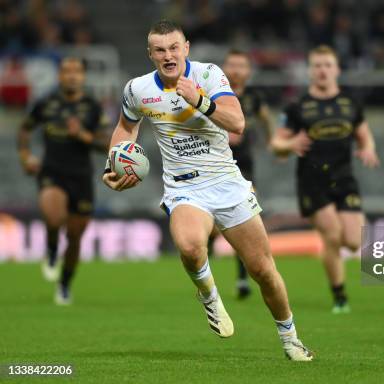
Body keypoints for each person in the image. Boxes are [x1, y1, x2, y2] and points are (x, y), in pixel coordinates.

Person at [102, 20, 312, 361]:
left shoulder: (208, 75)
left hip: (227, 183)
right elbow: (125, 128)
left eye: (174, 47)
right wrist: (112, 165)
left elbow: (238, 123)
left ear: (186, 48)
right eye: (160, 50)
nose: (168, 55)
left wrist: (199, 101)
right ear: (150, 54)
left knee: (262, 270)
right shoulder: (138, 89)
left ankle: (291, 339)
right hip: (185, 188)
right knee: (189, 245)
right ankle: (210, 296)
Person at [271, 45, 379, 313]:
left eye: (327, 65)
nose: (322, 70)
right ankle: (339, 295)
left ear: (337, 69)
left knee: (354, 241)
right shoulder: (298, 107)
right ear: (310, 71)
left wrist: (368, 148)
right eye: (317, 65)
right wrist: (290, 143)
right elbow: (275, 143)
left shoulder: (350, 103)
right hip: (312, 181)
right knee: (332, 236)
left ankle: (336, 272)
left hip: (344, 178)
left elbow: (364, 134)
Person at [17, 57, 108, 305]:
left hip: (81, 176)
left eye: (76, 71)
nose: (71, 76)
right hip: (51, 171)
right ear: (59, 75)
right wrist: (26, 156)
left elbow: (107, 143)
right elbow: (25, 128)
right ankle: (50, 248)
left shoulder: (92, 106)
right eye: (66, 71)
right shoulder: (46, 102)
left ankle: (65, 283)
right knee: (54, 217)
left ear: (83, 76)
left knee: (76, 237)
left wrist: (83, 135)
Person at [221, 48, 274, 299]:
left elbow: (266, 118)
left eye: (241, 65)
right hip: (217, 165)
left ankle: (242, 279)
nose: (236, 70)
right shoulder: (214, 93)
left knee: (243, 219)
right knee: (211, 226)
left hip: (245, 166)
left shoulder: (253, 97)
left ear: (248, 71)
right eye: (231, 65)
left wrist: (272, 139)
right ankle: (205, 276)